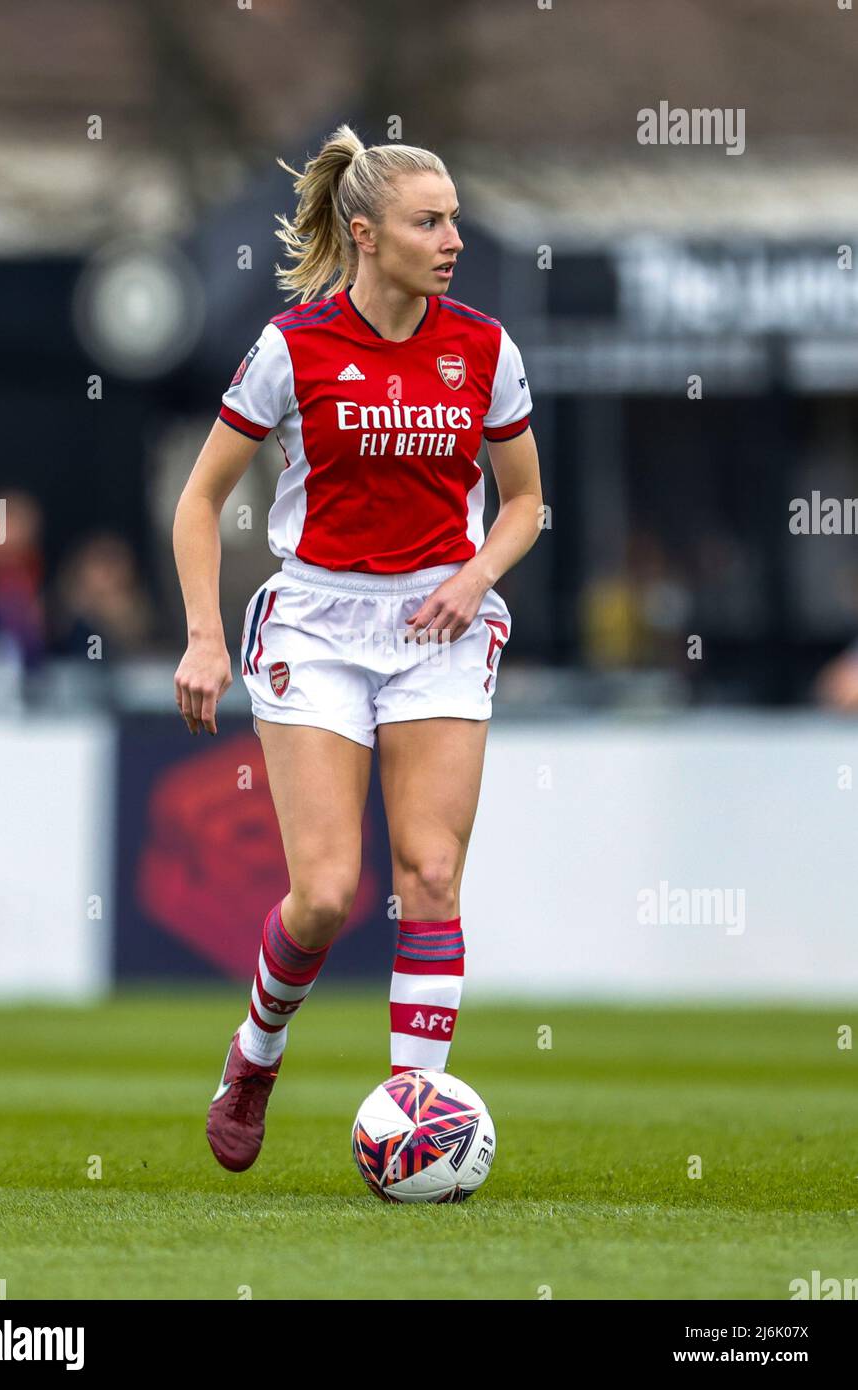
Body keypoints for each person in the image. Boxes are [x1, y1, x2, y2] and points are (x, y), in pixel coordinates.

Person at [173, 124, 543, 1174]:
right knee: (329, 892)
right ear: (367, 233)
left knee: (429, 872)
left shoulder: (485, 347)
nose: (453, 238)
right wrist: (206, 635)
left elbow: (523, 504)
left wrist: (475, 576)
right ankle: (255, 1055)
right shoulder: (293, 347)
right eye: (431, 221)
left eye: (457, 218)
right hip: (319, 626)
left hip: (440, 623)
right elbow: (199, 503)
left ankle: (413, 1116)